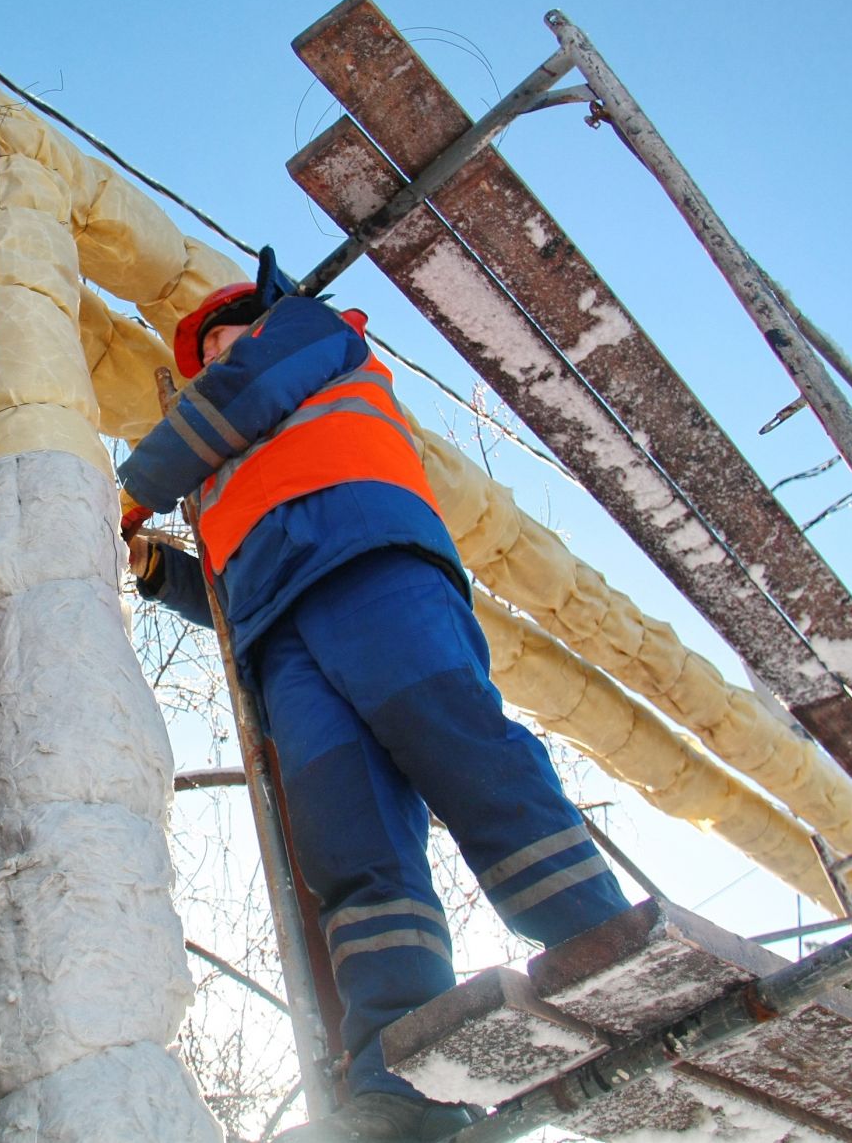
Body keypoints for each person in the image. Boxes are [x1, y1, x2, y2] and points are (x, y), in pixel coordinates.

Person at [118, 270, 632, 1143]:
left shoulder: (312, 335)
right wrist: (160, 571)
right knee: (348, 847)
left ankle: (607, 966)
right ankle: (401, 1074)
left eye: (221, 342)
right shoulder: (226, 466)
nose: (215, 361)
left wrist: (135, 485)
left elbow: (252, 391)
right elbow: (242, 577)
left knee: (466, 758)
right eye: (204, 356)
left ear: (261, 321)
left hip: (371, 561)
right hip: (281, 636)